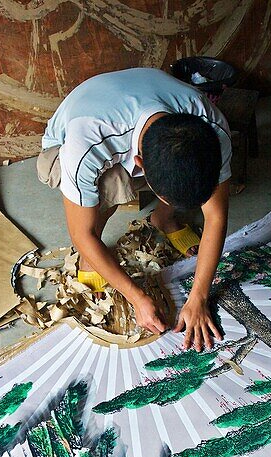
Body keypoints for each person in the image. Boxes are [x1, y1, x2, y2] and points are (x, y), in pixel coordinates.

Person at [37, 67, 232, 352]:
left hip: (134, 107)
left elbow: (216, 215)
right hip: (65, 142)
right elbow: (82, 233)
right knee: (113, 186)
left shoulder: (213, 130)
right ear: (139, 165)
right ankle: (89, 262)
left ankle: (163, 218)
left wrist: (199, 297)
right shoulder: (85, 144)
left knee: (183, 176)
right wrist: (136, 296)